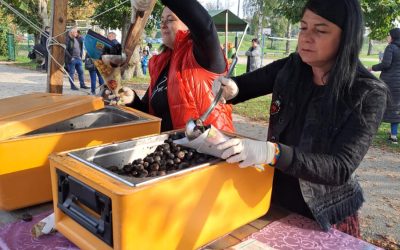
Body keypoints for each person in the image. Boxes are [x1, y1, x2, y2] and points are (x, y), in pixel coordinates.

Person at [213, 0, 388, 237]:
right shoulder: (294, 66)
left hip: (324, 212)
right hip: (274, 197)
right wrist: (231, 88)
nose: (306, 37)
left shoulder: (367, 93)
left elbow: (339, 167)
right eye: (304, 27)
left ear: (347, 37)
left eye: (321, 30)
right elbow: (247, 85)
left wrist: (272, 152)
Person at [125, 0, 233, 132]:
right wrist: (132, 99)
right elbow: (149, 112)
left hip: (210, 147)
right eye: (162, 19)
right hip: (170, 149)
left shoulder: (204, 55)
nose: (163, 25)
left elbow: (206, 27)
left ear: (189, 24)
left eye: (170, 20)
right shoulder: (161, 64)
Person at [370, 28, 400, 144]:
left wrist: (372, 68)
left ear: (393, 37)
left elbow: (386, 64)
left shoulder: (391, 48)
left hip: (389, 82)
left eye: (388, 35)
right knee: (396, 108)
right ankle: (393, 136)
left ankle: (370, 133)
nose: (387, 37)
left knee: (380, 105)